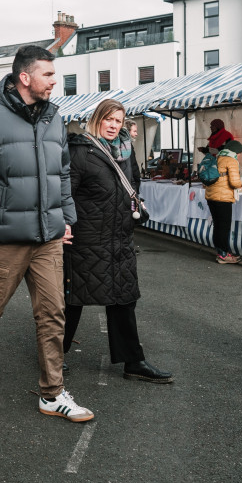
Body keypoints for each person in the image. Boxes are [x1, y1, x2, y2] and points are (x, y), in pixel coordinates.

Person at [0, 45, 93, 423]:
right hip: (5, 238)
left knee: (53, 314)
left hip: (48, 237)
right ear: (25, 77)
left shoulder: (55, 118)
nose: (54, 81)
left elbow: (62, 173)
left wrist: (67, 218)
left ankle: (52, 393)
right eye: (48, 75)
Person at [63, 100, 173, 383]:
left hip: (119, 237)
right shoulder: (80, 151)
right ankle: (54, 356)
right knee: (72, 299)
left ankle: (133, 362)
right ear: (97, 119)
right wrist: (64, 225)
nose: (113, 126)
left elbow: (133, 182)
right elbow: (64, 194)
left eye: (119, 121)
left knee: (124, 299)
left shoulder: (126, 151)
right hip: (85, 239)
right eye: (109, 120)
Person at [205, 139, 242, 264]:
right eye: (239, 153)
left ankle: (220, 252)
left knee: (217, 225)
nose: (239, 155)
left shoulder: (217, 157)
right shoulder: (231, 160)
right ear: (235, 151)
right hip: (223, 197)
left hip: (211, 196)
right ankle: (223, 255)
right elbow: (234, 182)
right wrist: (241, 184)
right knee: (224, 226)